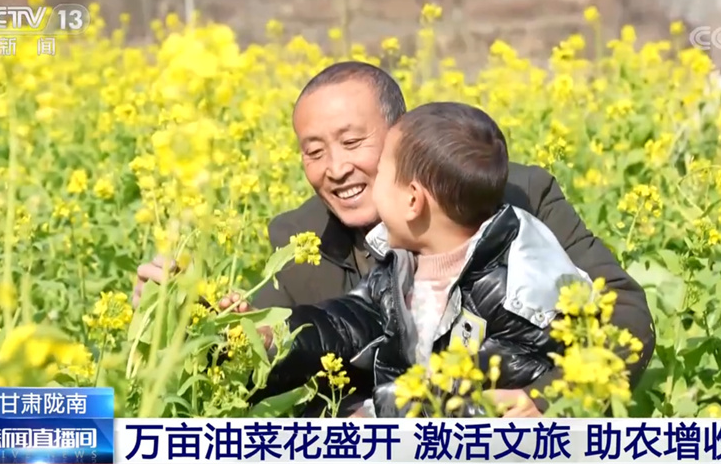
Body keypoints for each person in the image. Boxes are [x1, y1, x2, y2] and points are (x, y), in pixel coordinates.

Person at [133, 61, 656, 417]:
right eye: (314, 152)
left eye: (353, 142)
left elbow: (622, 311)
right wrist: (204, 324)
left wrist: (546, 399)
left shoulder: (513, 198)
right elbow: (292, 347)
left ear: (403, 137)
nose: (336, 168)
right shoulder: (298, 238)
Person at [251, 101, 594, 417]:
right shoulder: (402, 265)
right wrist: (272, 333)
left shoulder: (515, 292)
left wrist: (375, 419)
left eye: (382, 175)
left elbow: (480, 402)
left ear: (413, 201)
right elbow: (347, 322)